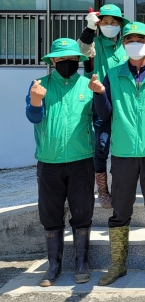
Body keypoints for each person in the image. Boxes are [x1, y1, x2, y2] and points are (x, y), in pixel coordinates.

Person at [90, 22, 145, 285]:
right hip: (123, 154)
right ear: (124, 45)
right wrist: (99, 94)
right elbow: (104, 114)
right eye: (129, 40)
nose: (134, 43)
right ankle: (118, 265)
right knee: (120, 210)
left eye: (140, 39)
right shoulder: (112, 74)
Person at [25, 38, 95, 286]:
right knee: (50, 215)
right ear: (53, 60)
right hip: (49, 161)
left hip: (81, 159)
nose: (67, 62)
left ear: (79, 60)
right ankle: (54, 265)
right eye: (62, 58)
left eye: (72, 59)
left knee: (82, 212)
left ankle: (81, 263)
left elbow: (100, 118)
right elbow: (33, 117)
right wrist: (36, 100)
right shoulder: (39, 85)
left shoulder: (88, 85)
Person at [78, 4, 130, 209]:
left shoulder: (126, 45)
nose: (109, 25)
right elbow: (83, 51)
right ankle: (102, 187)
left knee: (122, 145)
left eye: (113, 22)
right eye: (105, 22)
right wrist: (89, 29)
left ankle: (120, 185)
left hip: (125, 103)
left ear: (120, 25)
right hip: (101, 102)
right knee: (101, 145)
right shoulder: (95, 43)